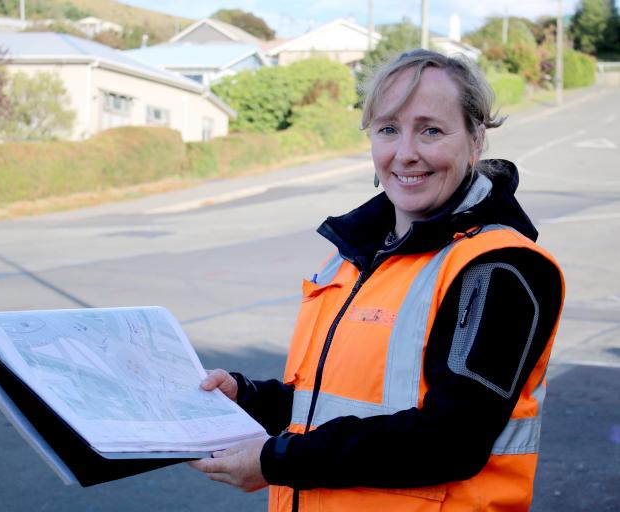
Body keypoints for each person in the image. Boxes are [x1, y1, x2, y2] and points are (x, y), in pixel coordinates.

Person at [188, 48, 565, 511]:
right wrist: (247, 398)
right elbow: (330, 402)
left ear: (475, 140)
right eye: (389, 129)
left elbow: (451, 440)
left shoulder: (499, 268)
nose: (406, 154)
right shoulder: (357, 258)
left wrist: (276, 459)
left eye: (430, 130)